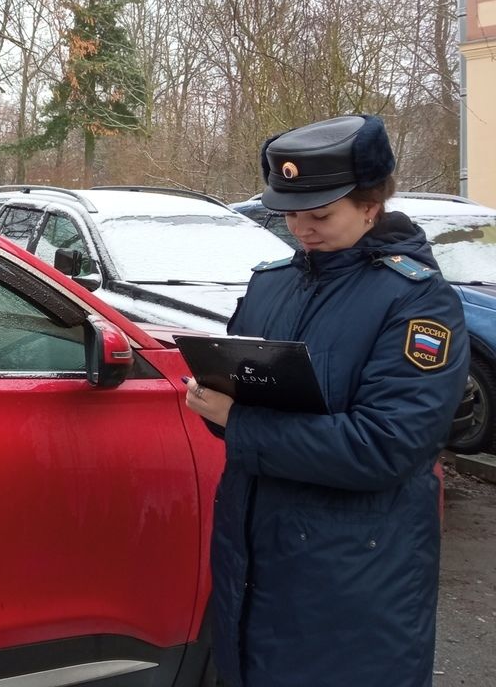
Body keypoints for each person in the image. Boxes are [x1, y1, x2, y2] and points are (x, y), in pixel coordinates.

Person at [183, 113, 469, 687]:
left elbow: (386, 447)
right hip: (254, 557)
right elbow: (246, 397)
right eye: (288, 214)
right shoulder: (271, 283)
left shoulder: (417, 302)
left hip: (354, 575)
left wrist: (239, 423)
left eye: (319, 215)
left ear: (370, 205)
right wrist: (214, 396)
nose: (301, 229)